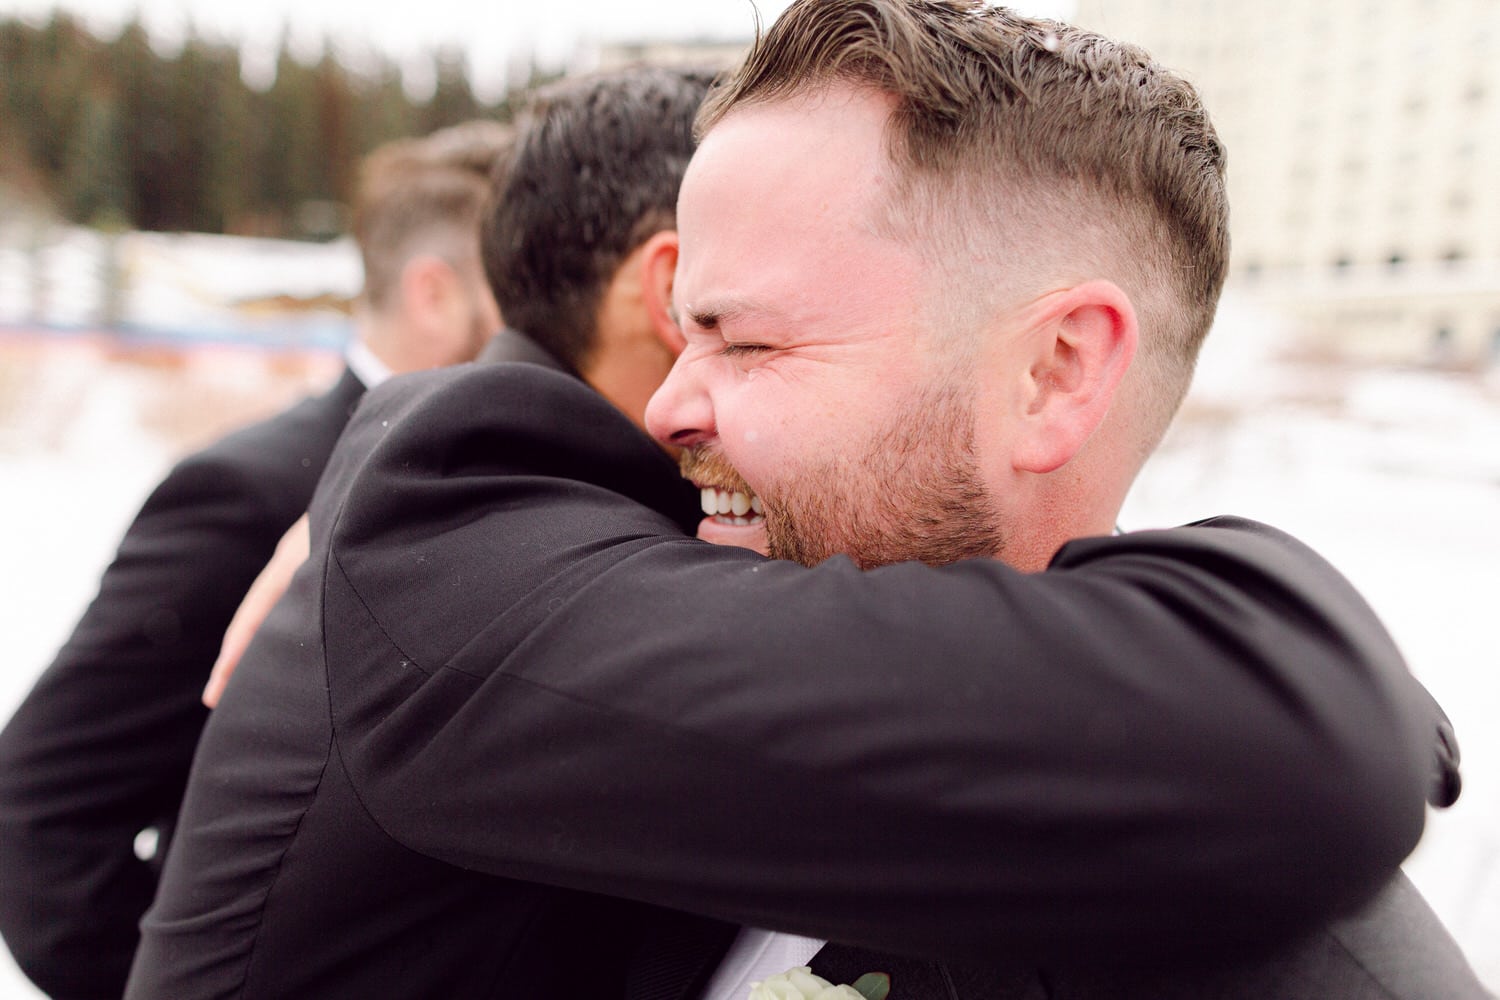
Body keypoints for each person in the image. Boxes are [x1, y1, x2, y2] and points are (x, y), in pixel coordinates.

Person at [132, 8, 1485, 1000]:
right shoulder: (483, 527)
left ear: (1057, 370)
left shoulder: (1251, 914)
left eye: (748, 340)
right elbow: (1290, 742)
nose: (667, 406)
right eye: (682, 331)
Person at [0, 119, 510, 1000]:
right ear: (435, 293)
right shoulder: (252, 494)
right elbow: (35, 813)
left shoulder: (497, 476)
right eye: (526, 284)